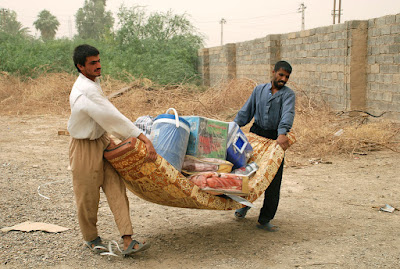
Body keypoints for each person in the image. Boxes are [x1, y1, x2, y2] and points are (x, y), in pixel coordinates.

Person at [68, 44, 157, 255]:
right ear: (81, 67)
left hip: (102, 141)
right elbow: (112, 117)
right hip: (83, 148)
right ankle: (91, 238)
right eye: (93, 63)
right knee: (87, 196)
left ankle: (128, 241)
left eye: (99, 61)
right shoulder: (85, 91)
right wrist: (143, 138)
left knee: (116, 187)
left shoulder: (93, 82)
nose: (99, 66)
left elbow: (107, 118)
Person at [233, 60, 295, 232]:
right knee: (249, 173)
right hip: (256, 135)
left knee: (273, 179)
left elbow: (288, 114)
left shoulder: (288, 95)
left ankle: (265, 218)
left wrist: (282, 133)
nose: (283, 79)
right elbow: (246, 111)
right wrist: (233, 126)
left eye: (287, 77)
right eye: (281, 75)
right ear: (273, 71)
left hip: (276, 139)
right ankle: (243, 205)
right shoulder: (259, 90)